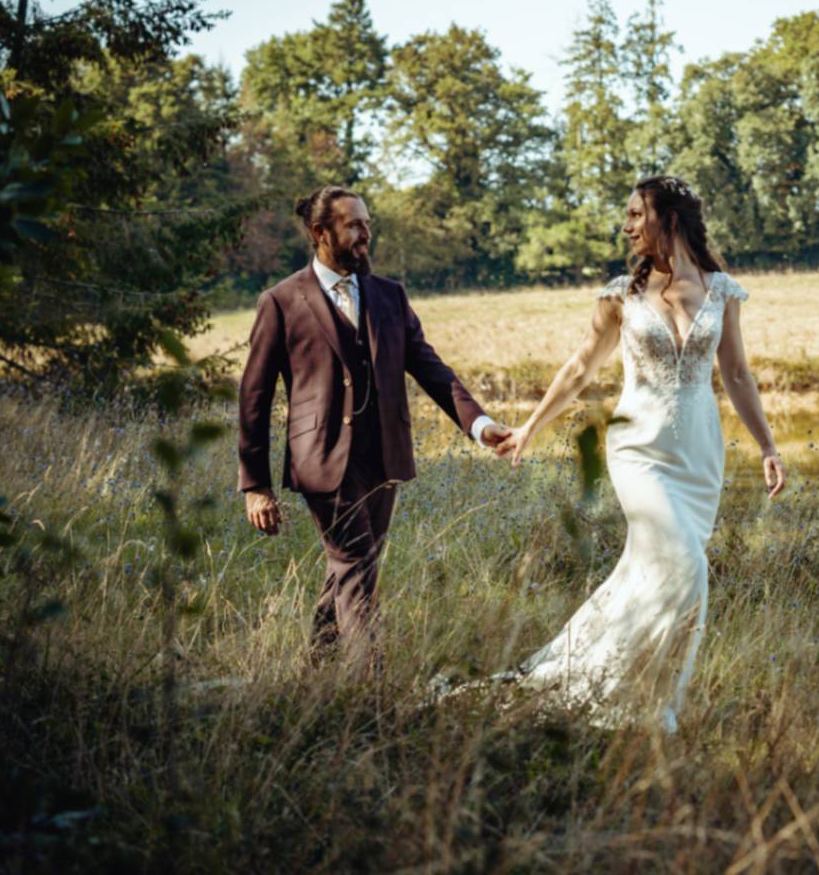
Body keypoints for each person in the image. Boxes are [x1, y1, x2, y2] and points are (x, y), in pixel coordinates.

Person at [496, 175, 786, 732]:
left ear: (667, 219)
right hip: (639, 450)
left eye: (635, 215)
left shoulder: (721, 290)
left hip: (700, 455)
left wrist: (767, 445)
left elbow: (738, 374)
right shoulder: (620, 296)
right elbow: (581, 368)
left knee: (654, 574)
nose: (626, 226)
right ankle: (649, 705)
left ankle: (631, 692)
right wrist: (530, 427)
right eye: (626, 216)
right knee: (687, 566)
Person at [238, 185, 510, 666]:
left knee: (351, 567)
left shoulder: (389, 296)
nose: (366, 234)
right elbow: (255, 398)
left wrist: (479, 424)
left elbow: (430, 368)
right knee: (357, 564)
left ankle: (317, 672)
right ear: (321, 233)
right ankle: (373, 694)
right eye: (354, 225)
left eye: (367, 224)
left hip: (384, 455)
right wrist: (255, 485)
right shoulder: (280, 301)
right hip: (321, 460)